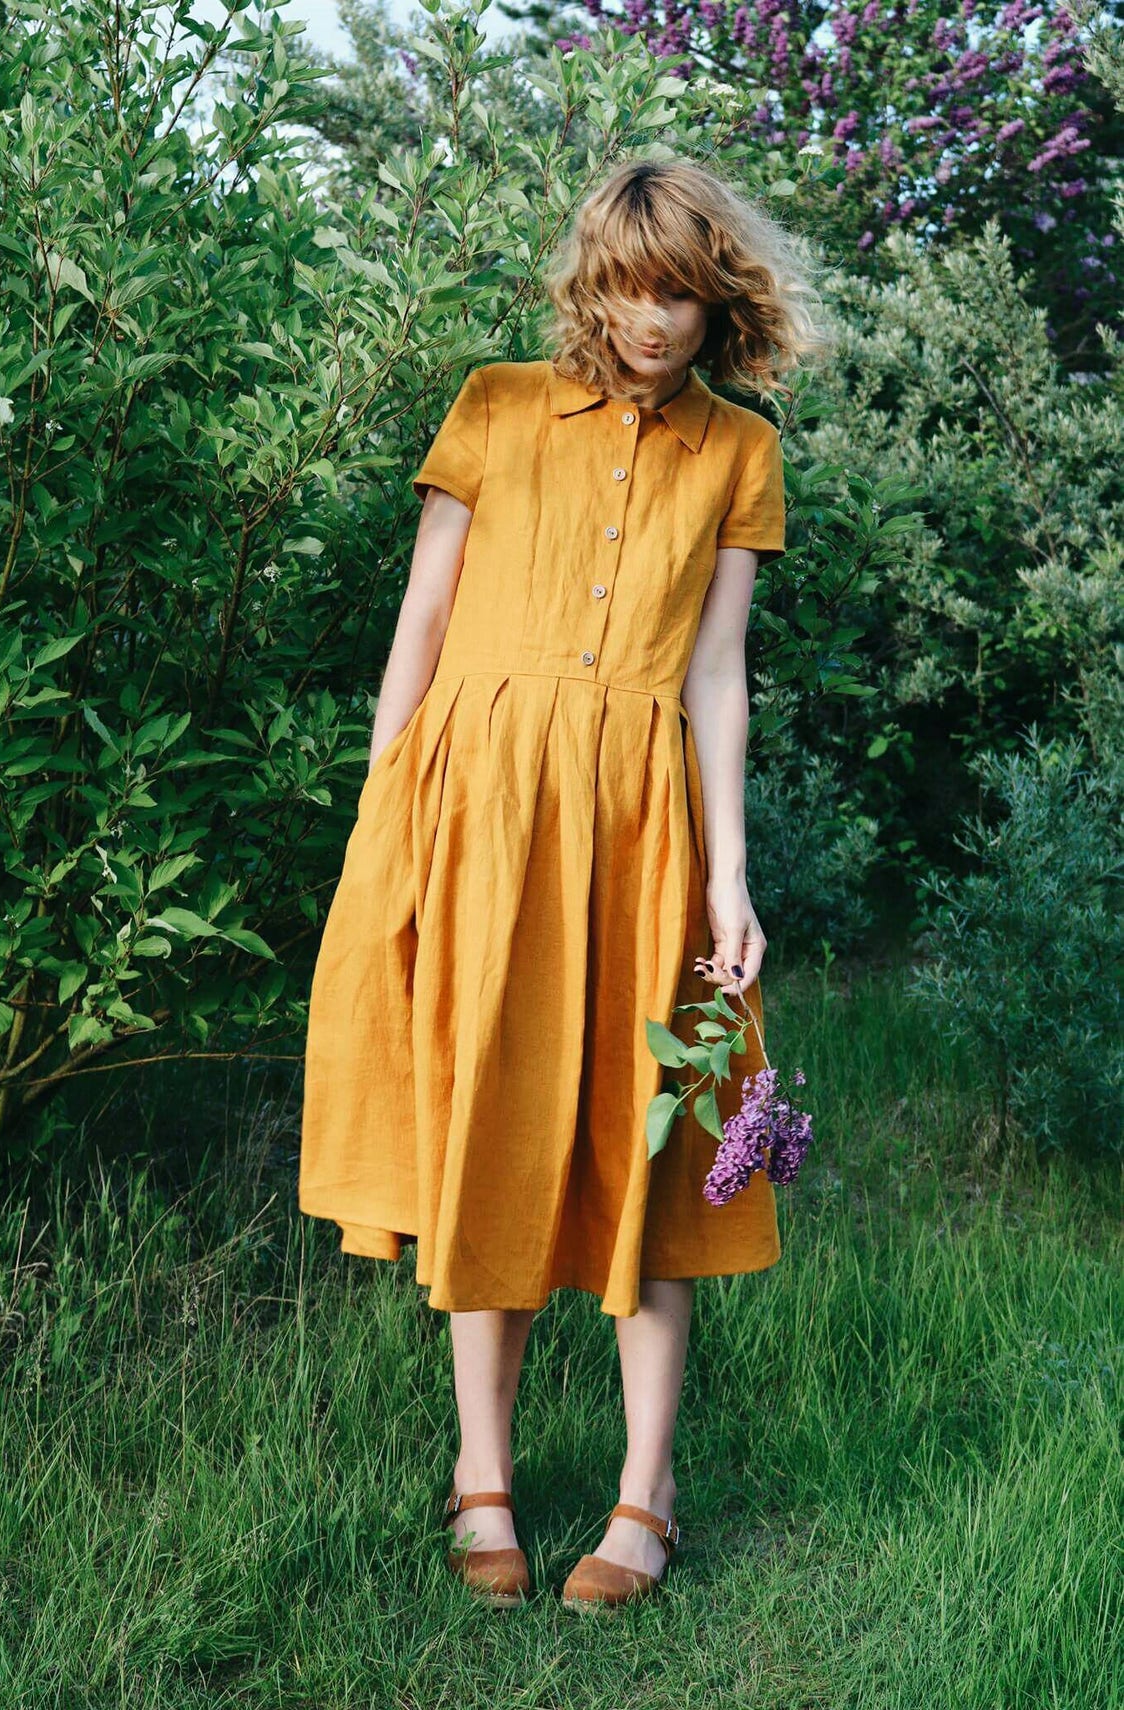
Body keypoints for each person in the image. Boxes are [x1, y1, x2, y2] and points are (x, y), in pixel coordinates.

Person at [298, 153, 827, 1609]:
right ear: (592, 284)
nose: (652, 318)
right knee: (489, 1127)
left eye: (681, 294)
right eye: (630, 287)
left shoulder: (739, 449)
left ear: (718, 303)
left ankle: (643, 1497)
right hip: (475, 811)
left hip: (640, 829)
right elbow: (423, 616)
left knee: (650, 1139)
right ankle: (484, 1477)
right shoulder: (494, 405)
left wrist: (729, 875)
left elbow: (717, 675)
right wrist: (384, 808)